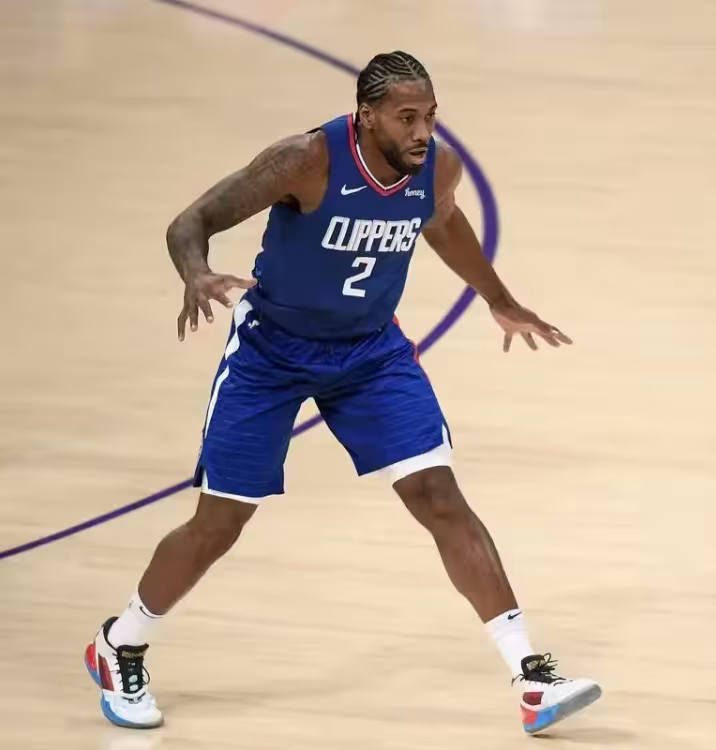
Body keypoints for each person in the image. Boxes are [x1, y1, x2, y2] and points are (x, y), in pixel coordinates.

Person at [84, 50, 601, 736]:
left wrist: (499, 299)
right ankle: (120, 642)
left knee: (439, 496)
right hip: (271, 354)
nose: (423, 131)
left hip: (369, 353)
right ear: (367, 116)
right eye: (407, 117)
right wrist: (197, 272)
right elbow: (190, 222)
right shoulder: (305, 160)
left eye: (430, 116)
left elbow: (442, 219)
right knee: (220, 524)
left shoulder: (435, 168)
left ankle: (531, 676)